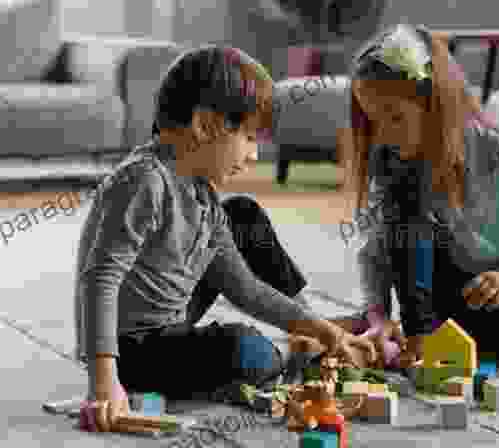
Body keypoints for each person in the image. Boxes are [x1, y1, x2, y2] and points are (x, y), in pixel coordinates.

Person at [73, 45, 376, 432]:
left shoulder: (203, 196)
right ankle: (288, 352)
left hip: (171, 323)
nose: (253, 154)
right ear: (205, 125)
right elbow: (100, 277)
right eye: (249, 137)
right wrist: (104, 381)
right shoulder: (144, 180)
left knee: (243, 215)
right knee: (247, 351)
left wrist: (324, 332)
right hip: (132, 349)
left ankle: (305, 335)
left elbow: (246, 289)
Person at [333, 24, 499, 369]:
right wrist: (377, 312)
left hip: (490, 289)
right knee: (405, 212)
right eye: (373, 121)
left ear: (437, 104)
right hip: (428, 296)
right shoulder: (393, 164)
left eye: (394, 117)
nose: (383, 133)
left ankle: (447, 344)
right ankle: (418, 336)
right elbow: (376, 251)